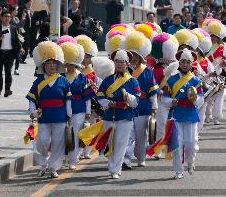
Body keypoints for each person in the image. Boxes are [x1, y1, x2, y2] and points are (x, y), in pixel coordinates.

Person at [26, 41, 72, 178]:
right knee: (42, 142)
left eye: (54, 63)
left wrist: (69, 115)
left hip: (60, 116)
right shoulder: (38, 82)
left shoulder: (63, 81)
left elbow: (68, 99)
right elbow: (32, 99)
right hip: (43, 117)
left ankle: (53, 168)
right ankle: (42, 165)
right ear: (43, 66)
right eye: (48, 63)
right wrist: (32, 112)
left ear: (58, 65)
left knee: (58, 143)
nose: (52, 66)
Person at [96, 50, 140, 179]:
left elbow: (136, 102)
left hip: (125, 116)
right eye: (117, 62)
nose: (120, 64)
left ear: (127, 64)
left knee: (121, 143)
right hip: (110, 115)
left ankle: (116, 169)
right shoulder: (107, 80)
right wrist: (108, 104)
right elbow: (99, 96)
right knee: (110, 143)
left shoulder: (133, 81)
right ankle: (112, 165)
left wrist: (128, 97)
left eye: (122, 62)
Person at [161, 49, 204, 179]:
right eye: (183, 62)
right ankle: (178, 171)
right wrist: (171, 101)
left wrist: (194, 99)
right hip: (176, 114)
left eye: (188, 62)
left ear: (191, 64)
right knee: (177, 144)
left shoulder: (196, 80)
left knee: (190, 143)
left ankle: (190, 162)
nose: (185, 64)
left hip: (190, 114)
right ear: (179, 63)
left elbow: (201, 98)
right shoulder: (171, 80)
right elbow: (164, 99)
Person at [122, 32, 159, 168]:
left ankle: (141, 157)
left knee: (141, 135)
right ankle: (126, 158)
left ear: (140, 56)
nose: (134, 59)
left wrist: (154, 107)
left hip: (143, 106)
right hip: (127, 106)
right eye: (131, 56)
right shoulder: (123, 71)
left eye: (136, 56)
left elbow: (153, 90)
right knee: (128, 134)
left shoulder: (148, 70)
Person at [58, 41, 93, 170]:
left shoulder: (82, 78)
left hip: (79, 109)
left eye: (71, 64)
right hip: (62, 109)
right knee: (63, 134)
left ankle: (73, 159)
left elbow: (87, 96)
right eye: (66, 63)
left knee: (75, 133)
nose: (68, 66)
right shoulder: (60, 77)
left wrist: (88, 112)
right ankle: (63, 157)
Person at [0, 10, 22, 97]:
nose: (7, 18)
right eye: (5, 16)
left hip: (9, 53)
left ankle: (7, 89)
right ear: (1, 18)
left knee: (8, 72)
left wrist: (20, 48)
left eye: (9, 16)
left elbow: (16, 40)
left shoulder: (13, 28)